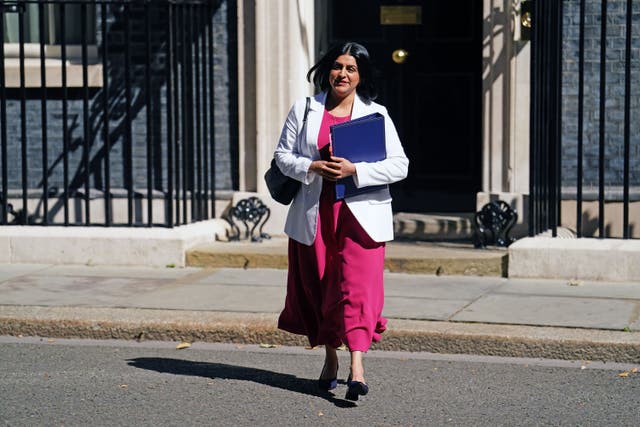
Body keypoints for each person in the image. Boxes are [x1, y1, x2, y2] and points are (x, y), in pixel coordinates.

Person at [273, 42, 409, 401]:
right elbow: (282, 157)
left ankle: (358, 367)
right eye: (337, 66)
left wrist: (355, 170)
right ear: (327, 70)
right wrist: (312, 166)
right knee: (320, 287)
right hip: (316, 213)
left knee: (357, 290)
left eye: (351, 68)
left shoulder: (376, 114)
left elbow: (400, 165)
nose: (342, 74)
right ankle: (331, 359)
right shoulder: (304, 109)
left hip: (360, 217)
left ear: (360, 75)